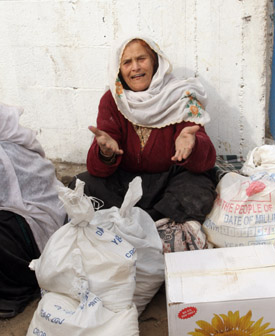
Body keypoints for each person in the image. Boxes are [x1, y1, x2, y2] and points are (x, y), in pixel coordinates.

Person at [70, 36, 217, 237]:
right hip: (125, 184)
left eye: (142, 59)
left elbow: (206, 161)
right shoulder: (113, 100)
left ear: (155, 62)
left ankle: (143, 225)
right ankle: (158, 222)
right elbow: (97, 169)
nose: (135, 67)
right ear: (119, 69)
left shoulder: (181, 96)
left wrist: (192, 144)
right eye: (127, 62)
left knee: (197, 188)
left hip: (169, 182)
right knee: (82, 185)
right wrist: (106, 152)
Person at [0, 103, 66, 318]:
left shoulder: (5, 153)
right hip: (49, 221)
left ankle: (15, 292)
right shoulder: (19, 138)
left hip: (31, 230)